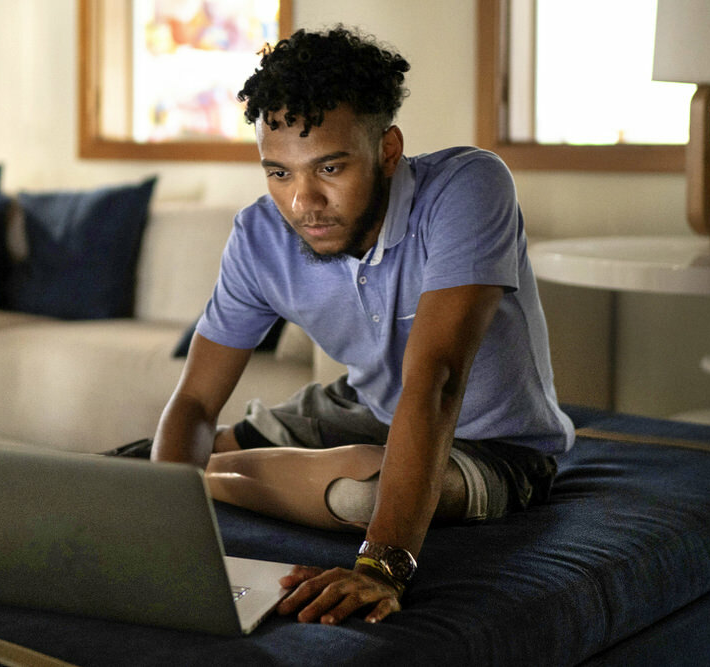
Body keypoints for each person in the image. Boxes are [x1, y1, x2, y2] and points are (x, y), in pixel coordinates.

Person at [151, 26, 574, 626]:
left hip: (496, 445)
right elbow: (195, 398)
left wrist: (380, 569)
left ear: (388, 149)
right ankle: (204, 475)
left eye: (329, 167)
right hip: (357, 408)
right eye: (279, 174)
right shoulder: (258, 237)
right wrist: (164, 537)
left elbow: (438, 379)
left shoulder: (468, 188)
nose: (303, 202)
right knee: (158, 453)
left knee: (360, 495)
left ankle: (213, 476)